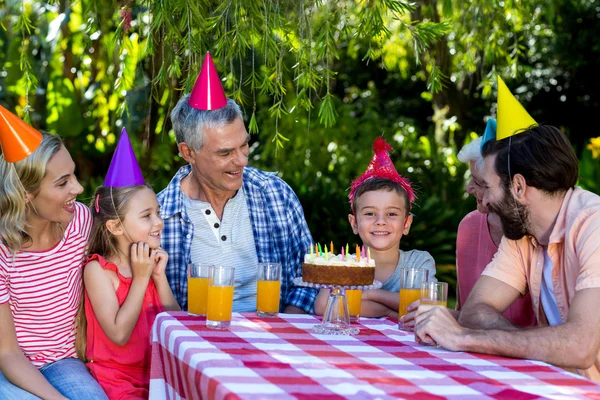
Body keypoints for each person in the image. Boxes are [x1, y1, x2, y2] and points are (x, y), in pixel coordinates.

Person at [415, 78, 600, 381]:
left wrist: (466, 338)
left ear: (518, 186)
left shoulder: (593, 225)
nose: (483, 200)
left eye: (487, 187)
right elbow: (476, 310)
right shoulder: (522, 232)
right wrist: (547, 346)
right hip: (561, 385)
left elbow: (579, 347)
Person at [158, 53, 316, 313]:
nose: (241, 161)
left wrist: (284, 332)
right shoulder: (159, 216)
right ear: (188, 153)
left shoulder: (275, 194)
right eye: (225, 152)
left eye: (244, 146)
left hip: (275, 338)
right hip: (199, 345)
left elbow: (310, 276)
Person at [0, 106, 107, 399]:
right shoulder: (3, 251)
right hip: (9, 365)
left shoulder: (81, 224)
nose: (79, 187)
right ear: (25, 193)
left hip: (63, 361)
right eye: (62, 183)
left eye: (73, 175)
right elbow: (8, 353)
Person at [77, 130, 180, 399]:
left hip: (158, 375)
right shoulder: (98, 271)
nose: (158, 222)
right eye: (146, 216)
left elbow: (175, 324)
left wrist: (159, 278)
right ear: (115, 226)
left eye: (157, 212)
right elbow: (119, 334)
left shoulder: (148, 264)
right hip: (117, 379)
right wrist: (142, 278)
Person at [314, 138, 436, 318]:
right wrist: (387, 311)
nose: (380, 221)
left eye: (392, 214)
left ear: (406, 224)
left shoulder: (418, 262)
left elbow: (426, 304)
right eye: (370, 213)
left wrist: (370, 294)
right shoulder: (344, 265)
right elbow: (323, 306)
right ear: (354, 223)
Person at [454, 123, 535, 327]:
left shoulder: (538, 232)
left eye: (480, 182)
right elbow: (463, 310)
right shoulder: (468, 227)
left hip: (533, 353)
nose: (468, 188)